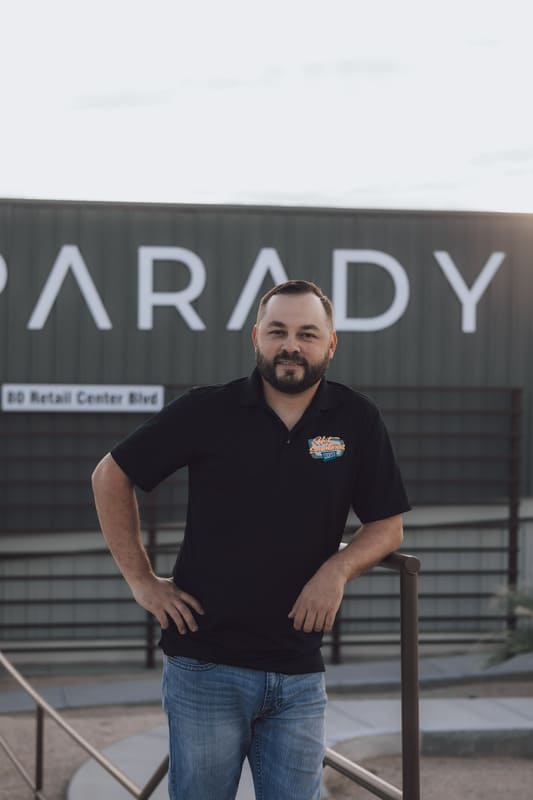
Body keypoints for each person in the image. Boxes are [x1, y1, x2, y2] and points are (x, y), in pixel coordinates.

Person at [91, 279, 410, 800]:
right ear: (256, 337)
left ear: (331, 344)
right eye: (278, 331)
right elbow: (110, 475)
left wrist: (336, 570)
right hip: (205, 665)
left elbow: (387, 526)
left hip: (298, 671)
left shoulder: (356, 418)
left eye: (307, 334)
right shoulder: (207, 410)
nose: (291, 345)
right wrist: (142, 581)